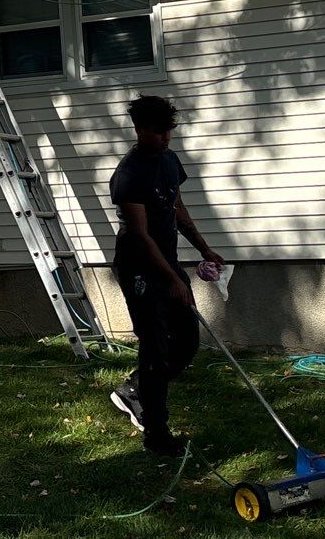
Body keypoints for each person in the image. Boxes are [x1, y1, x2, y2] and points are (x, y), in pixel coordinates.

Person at [107, 94, 224, 457]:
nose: (166, 138)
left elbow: (177, 208)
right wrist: (173, 280)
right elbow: (141, 236)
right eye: (158, 132)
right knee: (156, 348)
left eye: (169, 132)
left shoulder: (169, 160)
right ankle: (157, 435)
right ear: (140, 130)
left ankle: (136, 388)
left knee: (187, 343)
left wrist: (204, 247)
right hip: (139, 268)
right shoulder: (128, 175)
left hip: (167, 263)